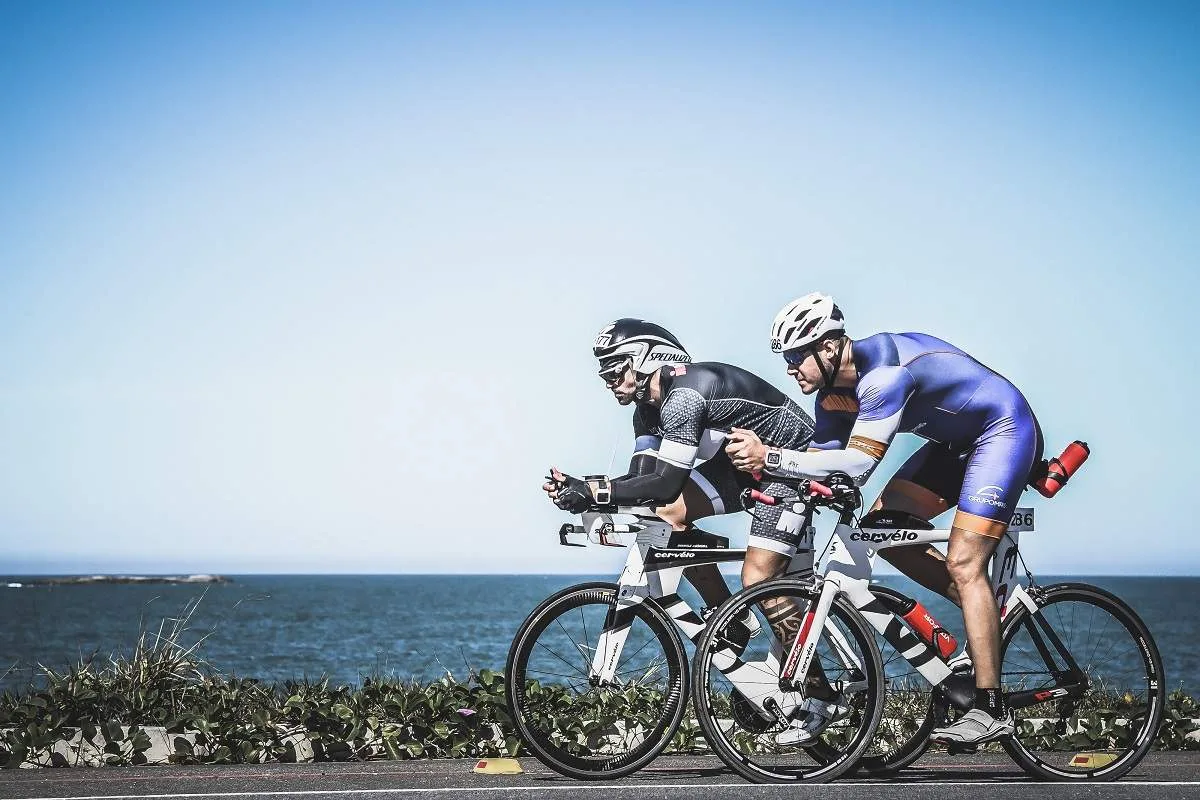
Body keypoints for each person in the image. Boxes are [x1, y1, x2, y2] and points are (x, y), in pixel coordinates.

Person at [725, 292, 1044, 746]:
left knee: (965, 563)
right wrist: (769, 482)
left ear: (830, 348)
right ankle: (981, 618)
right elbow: (821, 461)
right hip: (953, 447)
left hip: (1002, 431)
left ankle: (989, 707)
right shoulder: (833, 398)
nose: (791, 368)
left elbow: (855, 463)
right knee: (883, 527)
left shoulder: (884, 377)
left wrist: (771, 454)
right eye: (787, 358)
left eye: (797, 356)